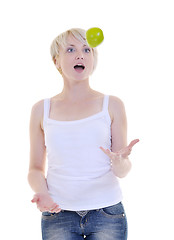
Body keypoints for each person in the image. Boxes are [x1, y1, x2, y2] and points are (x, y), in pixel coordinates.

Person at [28, 28, 139, 240]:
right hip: (58, 214)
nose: (80, 55)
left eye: (86, 50)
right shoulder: (40, 110)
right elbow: (34, 168)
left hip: (107, 214)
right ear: (56, 61)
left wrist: (120, 161)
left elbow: (122, 171)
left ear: (93, 60)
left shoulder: (112, 105)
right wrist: (42, 193)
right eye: (70, 49)